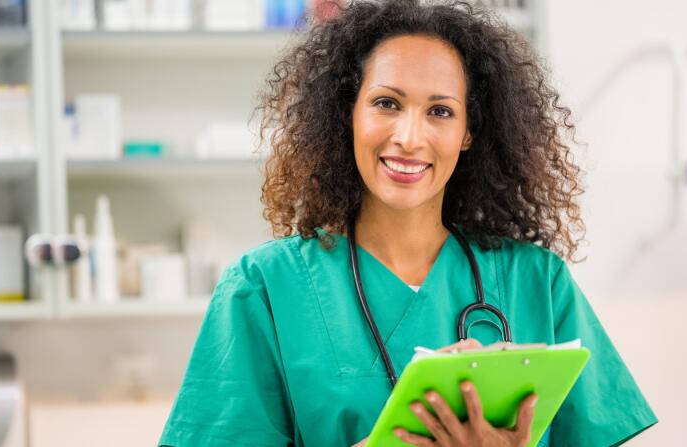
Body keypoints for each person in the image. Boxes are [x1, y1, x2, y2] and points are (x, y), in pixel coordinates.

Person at [158, 1, 657, 446]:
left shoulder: (538, 282)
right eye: (386, 103)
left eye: (440, 111)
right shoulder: (265, 287)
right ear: (348, 113)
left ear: (468, 133)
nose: (410, 137)